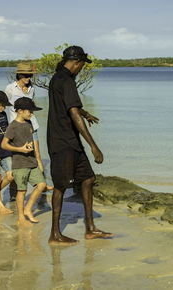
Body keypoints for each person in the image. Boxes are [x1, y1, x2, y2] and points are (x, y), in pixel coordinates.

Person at [47, 45, 113, 245]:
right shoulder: (66, 80)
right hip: (63, 142)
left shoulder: (59, 78)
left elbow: (71, 107)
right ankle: (55, 234)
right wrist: (93, 145)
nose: (82, 69)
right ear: (76, 63)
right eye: (82, 65)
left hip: (69, 141)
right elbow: (73, 113)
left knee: (88, 179)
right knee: (60, 186)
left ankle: (90, 228)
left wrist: (87, 114)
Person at [4, 63, 51, 200]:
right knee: (16, 161)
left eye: (30, 75)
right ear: (19, 75)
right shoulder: (10, 88)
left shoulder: (32, 89)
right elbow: (4, 106)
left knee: (37, 155)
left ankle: (41, 186)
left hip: (32, 125)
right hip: (17, 128)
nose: (28, 78)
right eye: (25, 75)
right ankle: (14, 193)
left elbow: (31, 107)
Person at [1, 97, 47, 226]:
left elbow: (32, 141)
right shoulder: (12, 127)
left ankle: (28, 209)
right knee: (21, 191)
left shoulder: (30, 123)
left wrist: (38, 158)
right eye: (30, 111)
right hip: (19, 164)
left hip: (32, 162)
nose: (32, 114)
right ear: (20, 111)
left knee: (42, 185)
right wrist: (20, 149)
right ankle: (21, 217)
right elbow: (4, 145)